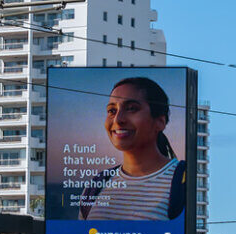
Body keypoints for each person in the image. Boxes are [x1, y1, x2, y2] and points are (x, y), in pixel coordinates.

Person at [80, 77, 186, 221]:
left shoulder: (183, 181)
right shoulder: (96, 185)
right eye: (112, 110)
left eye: (131, 109)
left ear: (160, 122)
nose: (118, 120)